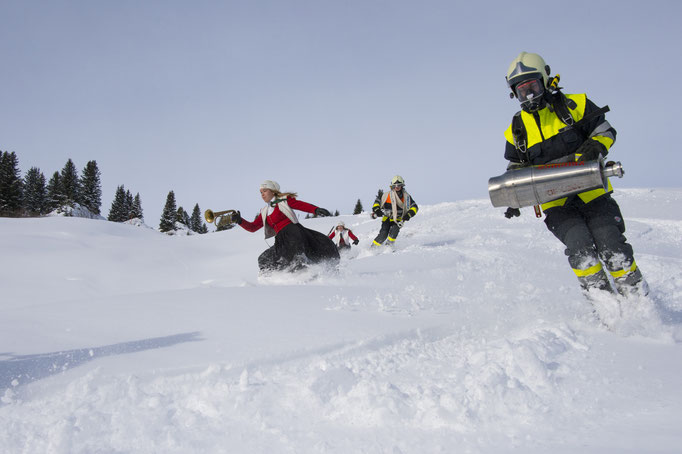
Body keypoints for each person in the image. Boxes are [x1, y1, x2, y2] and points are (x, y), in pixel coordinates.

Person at [502, 52, 647, 298]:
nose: (528, 95)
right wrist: (514, 197)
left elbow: (605, 130)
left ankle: (638, 302)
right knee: (580, 247)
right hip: (556, 203)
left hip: (593, 193)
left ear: (545, 80)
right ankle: (604, 306)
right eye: (522, 90)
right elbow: (515, 169)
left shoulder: (575, 105)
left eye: (533, 87)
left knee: (610, 242)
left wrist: (596, 146)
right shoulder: (516, 130)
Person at [234, 180, 340, 272]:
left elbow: (300, 205)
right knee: (263, 259)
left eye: (265, 191)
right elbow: (253, 227)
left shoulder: (283, 201)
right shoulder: (264, 211)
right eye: (260, 192)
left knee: (295, 254)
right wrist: (240, 221)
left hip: (293, 233)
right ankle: (274, 278)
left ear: (273, 191)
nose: (262, 194)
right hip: (281, 240)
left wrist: (316, 209)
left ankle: (304, 268)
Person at [372, 175, 418, 246]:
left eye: (399, 185)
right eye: (395, 185)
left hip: (398, 219)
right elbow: (377, 202)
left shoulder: (407, 197)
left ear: (402, 185)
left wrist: (408, 215)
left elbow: (414, 207)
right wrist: (377, 210)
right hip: (386, 218)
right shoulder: (386, 195)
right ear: (393, 186)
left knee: (394, 232)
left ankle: (388, 248)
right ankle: (373, 248)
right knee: (383, 234)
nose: (397, 187)